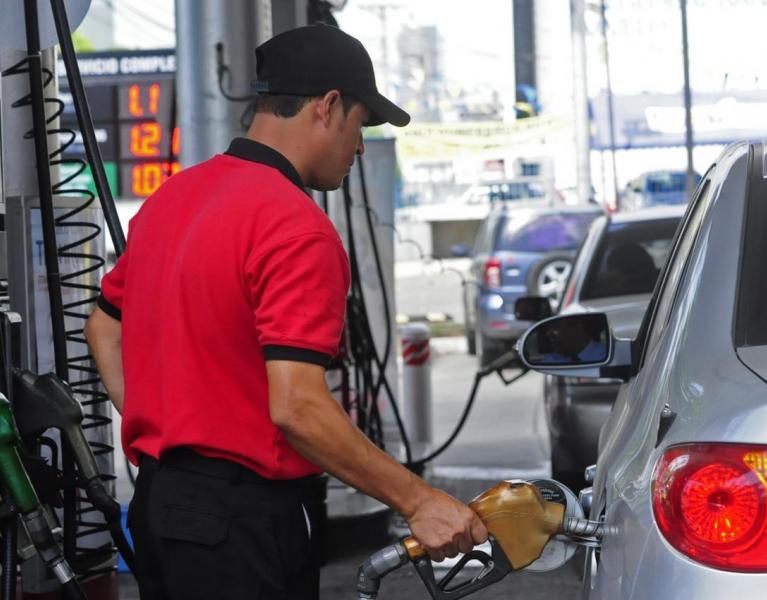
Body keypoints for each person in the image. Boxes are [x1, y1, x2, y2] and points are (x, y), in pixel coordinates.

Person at [84, 24, 487, 600]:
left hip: (161, 507)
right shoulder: (296, 227)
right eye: (361, 123)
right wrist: (419, 500)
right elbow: (297, 406)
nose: (361, 146)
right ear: (327, 108)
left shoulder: (174, 197)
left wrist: (168, 425)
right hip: (241, 524)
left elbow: (102, 327)